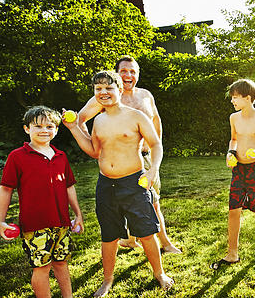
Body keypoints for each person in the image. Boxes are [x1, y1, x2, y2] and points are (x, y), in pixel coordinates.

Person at [64, 70, 174, 298]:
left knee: (146, 233)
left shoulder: (136, 116)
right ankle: (107, 280)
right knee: (109, 235)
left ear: (119, 90)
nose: (103, 93)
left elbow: (156, 144)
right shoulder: (99, 121)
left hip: (134, 183)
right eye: (98, 89)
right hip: (107, 185)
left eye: (108, 88)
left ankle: (160, 274)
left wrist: (153, 169)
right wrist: (74, 128)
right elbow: (94, 152)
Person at [76, 55, 181, 254]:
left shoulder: (145, 95)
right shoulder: (108, 96)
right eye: (124, 71)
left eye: (133, 71)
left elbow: (156, 119)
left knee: (150, 202)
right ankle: (155, 243)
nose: (128, 75)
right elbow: (80, 119)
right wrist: (96, 146)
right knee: (146, 202)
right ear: (116, 73)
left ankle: (147, 242)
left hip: (146, 157)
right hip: (121, 162)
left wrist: (155, 146)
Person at [0, 106, 91, 298]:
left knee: (61, 262)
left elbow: (69, 187)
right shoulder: (18, 157)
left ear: (56, 130)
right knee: (42, 266)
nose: (44, 130)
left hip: (61, 222)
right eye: (38, 126)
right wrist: (0, 220)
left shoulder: (60, 156)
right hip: (35, 224)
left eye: (49, 126)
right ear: (26, 129)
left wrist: (77, 214)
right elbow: (6, 188)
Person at [218, 78, 255, 266]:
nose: (232, 101)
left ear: (248, 97)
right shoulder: (233, 118)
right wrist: (230, 153)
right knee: (233, 209)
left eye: (235, 97)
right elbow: (233, 139)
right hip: (239, 170)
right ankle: (232, 253)